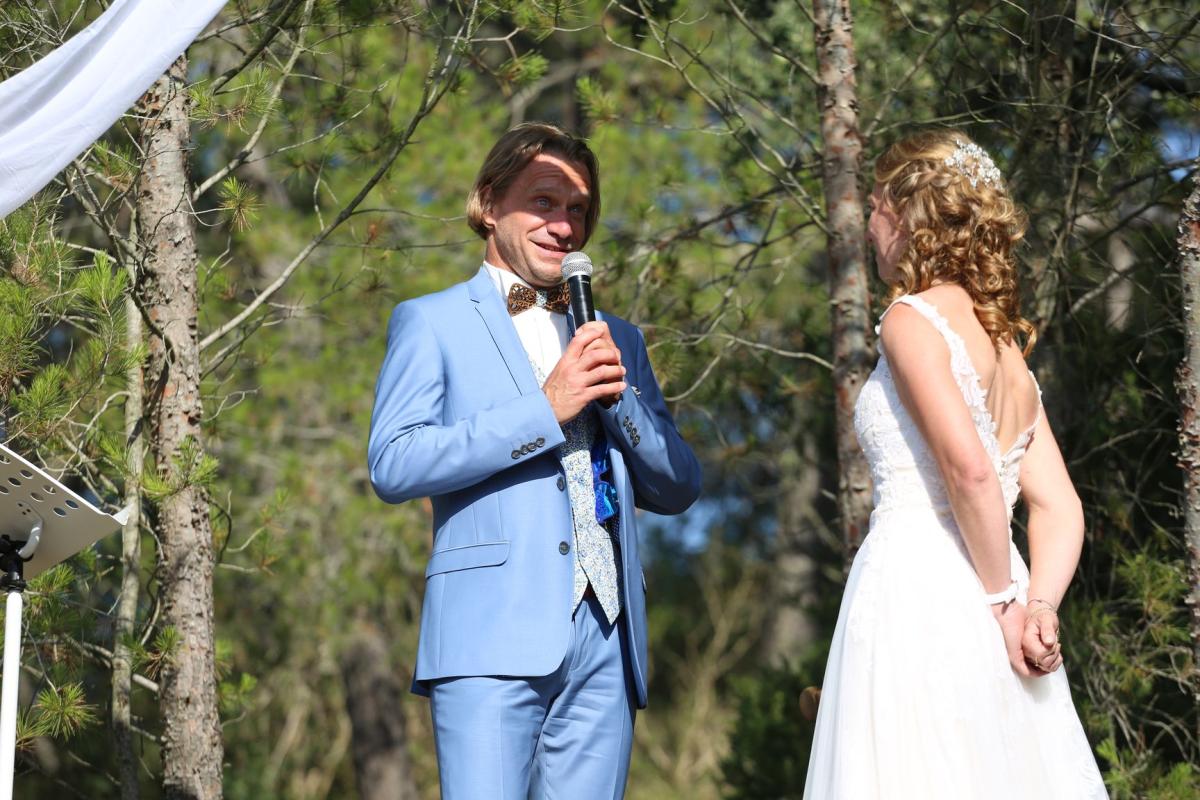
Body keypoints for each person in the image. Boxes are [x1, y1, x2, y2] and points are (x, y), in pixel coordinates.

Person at [367, 122, 701, 799]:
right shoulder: (430, 321)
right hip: (488, 636)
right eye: (544, 202)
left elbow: (678, 486)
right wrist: (543, 411)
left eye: (578, 209)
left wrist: (619, 402)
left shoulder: (618, 337)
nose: (564, 226)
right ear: (490, 204)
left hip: (607, 640)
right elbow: (394, 463)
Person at [803, 129, 1107, 798]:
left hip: (924, 590)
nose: (870, 225)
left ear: (909, 215)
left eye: (876, 206)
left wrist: (1001, 604)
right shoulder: (1006, 350)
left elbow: (969, 470)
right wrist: (1038, 606)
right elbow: (1059, 505)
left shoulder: (910, 319)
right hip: (1004, 585)